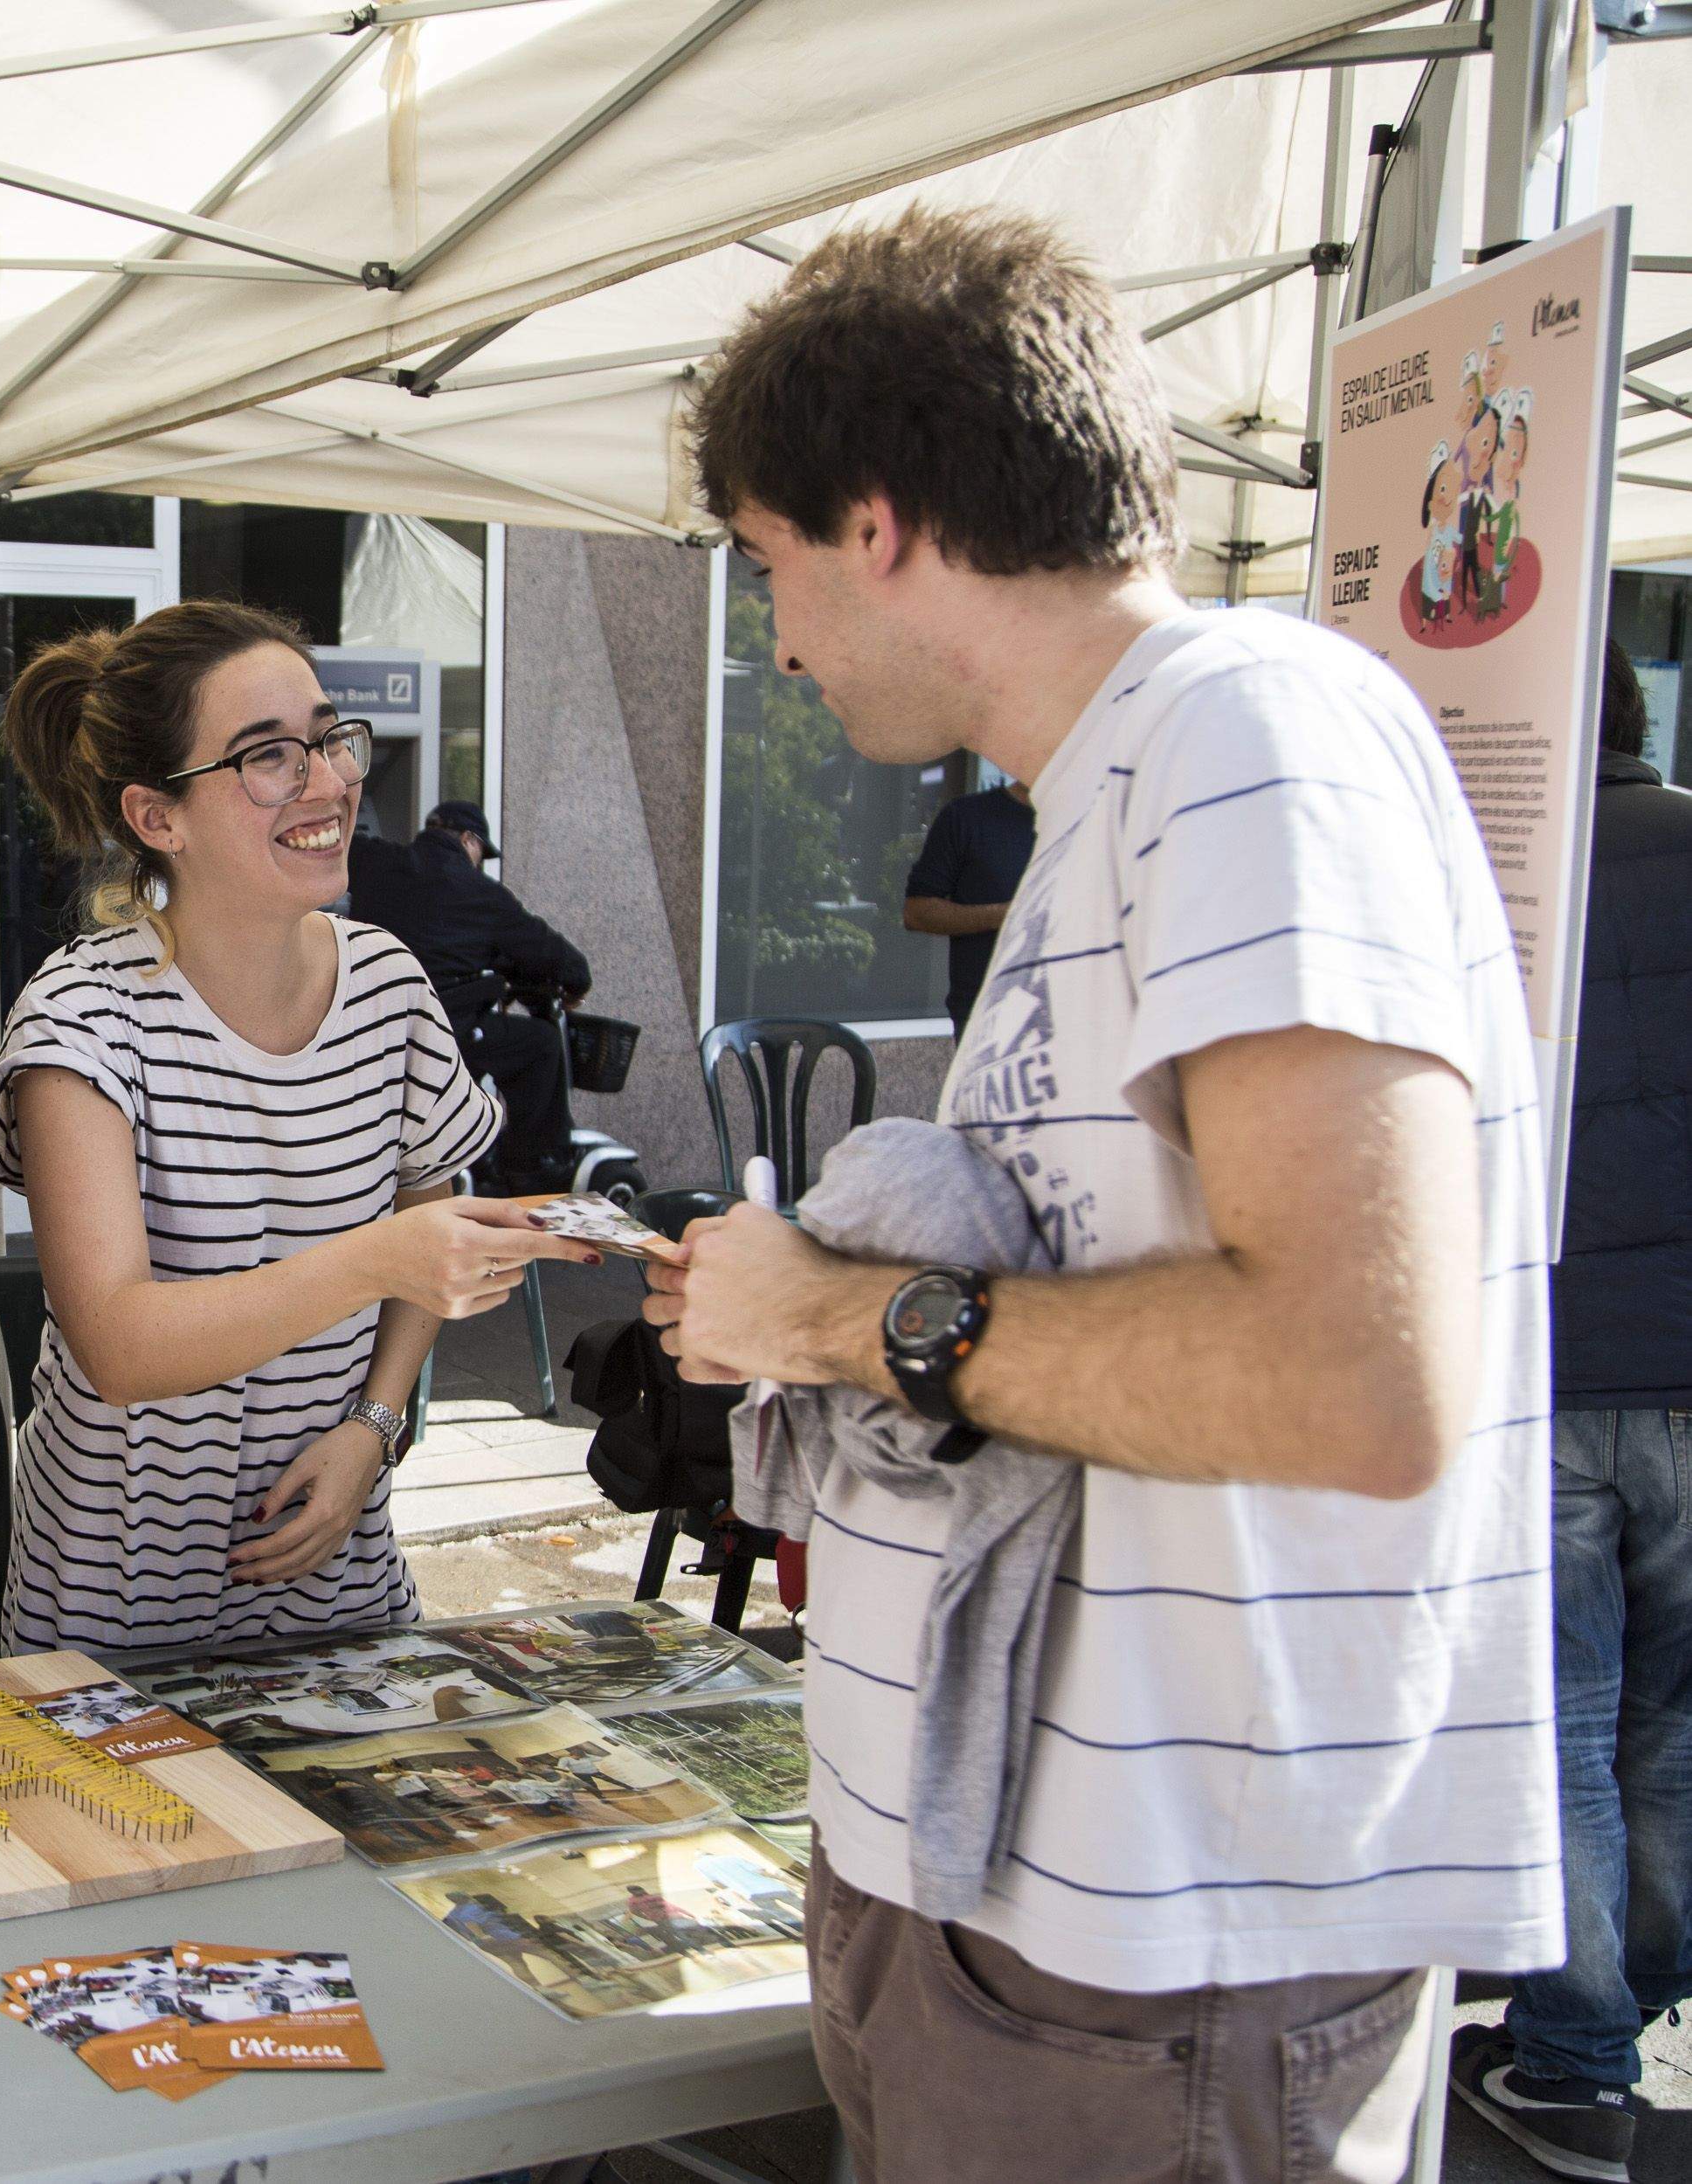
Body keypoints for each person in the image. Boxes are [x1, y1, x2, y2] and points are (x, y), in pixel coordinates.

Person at [645, 206, 1554, 2183]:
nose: (776, 639)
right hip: (1049, 1935)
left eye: (764, 564)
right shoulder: (1126, 783)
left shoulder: (1239, 732)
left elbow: (1354, 1377)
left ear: (870, 521)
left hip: (1162, 1962)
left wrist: (827, 1316)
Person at [0, 602, 596, 1654]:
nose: (331, 780)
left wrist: (375, 1427)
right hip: (119, 1611)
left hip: (343, 1588)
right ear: (157, 816)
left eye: (327, 740)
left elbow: (428, 1198)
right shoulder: (83, 1020)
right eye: (269, 757)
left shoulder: (389, 984)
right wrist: (385, 1259)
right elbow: (118, 1344)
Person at [1452, 640, 1692, 2181]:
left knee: (1565, 1719)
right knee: (1670, 1722)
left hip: (1543, 1371)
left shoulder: (1481, 878)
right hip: (1685, 1374)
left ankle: (1579, 2057)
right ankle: (1620, 2012)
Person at [346, 798, 592, 1193]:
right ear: (468, 839)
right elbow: (557, 958)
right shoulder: (484, 895)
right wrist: (575, 984)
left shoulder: (373, 862)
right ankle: (529, 1165)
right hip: (445, 1037)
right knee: (541, 1043)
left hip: (370, 1033)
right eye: (481, 851)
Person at [898, 777, 1033, 1033]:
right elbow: (917, 913)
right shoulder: (967, 817)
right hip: (988, 1015)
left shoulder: (1096, 821)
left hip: (1080, 1013)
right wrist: (1007, 914)